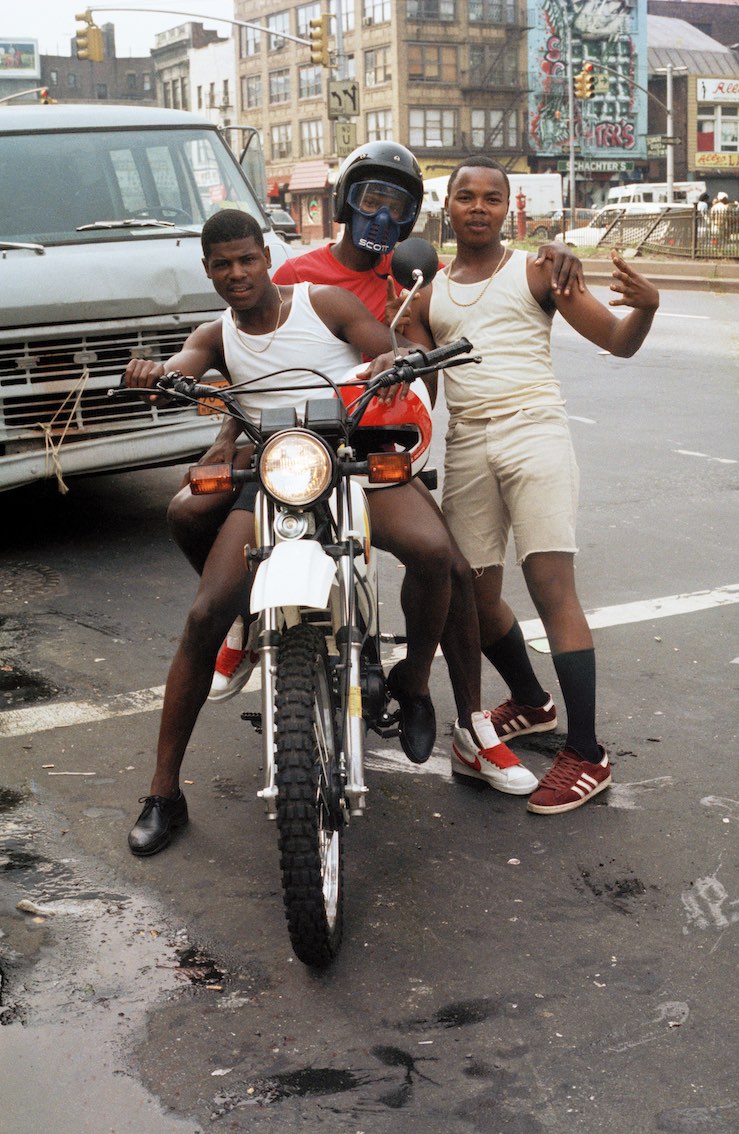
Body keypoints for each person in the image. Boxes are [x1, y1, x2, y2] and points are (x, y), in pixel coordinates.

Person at [124, 210, 536, 856]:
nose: (237, 274)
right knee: (205, 610)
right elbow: (185, 361)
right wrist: (154, 372)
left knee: (433, 553)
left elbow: (383, 345)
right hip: (278, 469)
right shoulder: (218, 334)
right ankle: (163, 791)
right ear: (208, 272)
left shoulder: (323, 302)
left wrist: (392, 361)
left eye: (246, 259)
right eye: (222, 265)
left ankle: (413, 682)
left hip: (349, 456)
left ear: (266, 257)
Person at [404, 156, 660, 815]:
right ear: (448, 207)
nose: (480, 207)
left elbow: (617, 342)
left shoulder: (539, 267)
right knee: (475, 598)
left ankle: (586, 752)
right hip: (466, 443)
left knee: (551, 589)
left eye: (493, 197)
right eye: (467, 196)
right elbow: (414, 392)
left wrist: (646, 309)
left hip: (532, 430)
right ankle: (529, 702)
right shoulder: (427, 293)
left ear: (508, 208)